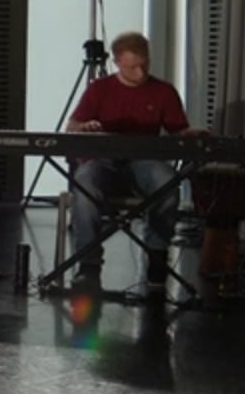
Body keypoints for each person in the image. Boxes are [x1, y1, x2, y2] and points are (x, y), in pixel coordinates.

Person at [65, 30, 199, 280]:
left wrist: (192, 134)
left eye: (143, 65)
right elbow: (72, 127)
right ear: (116, 63)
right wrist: (85, 127)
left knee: (167, 181)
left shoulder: (163, 91)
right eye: (132, 67)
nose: (140, 73)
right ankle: (89, 265)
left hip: (144, 162)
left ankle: (157, 256)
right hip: (103, 163)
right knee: (84, 182)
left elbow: (178, 130)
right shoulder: (100, 90)